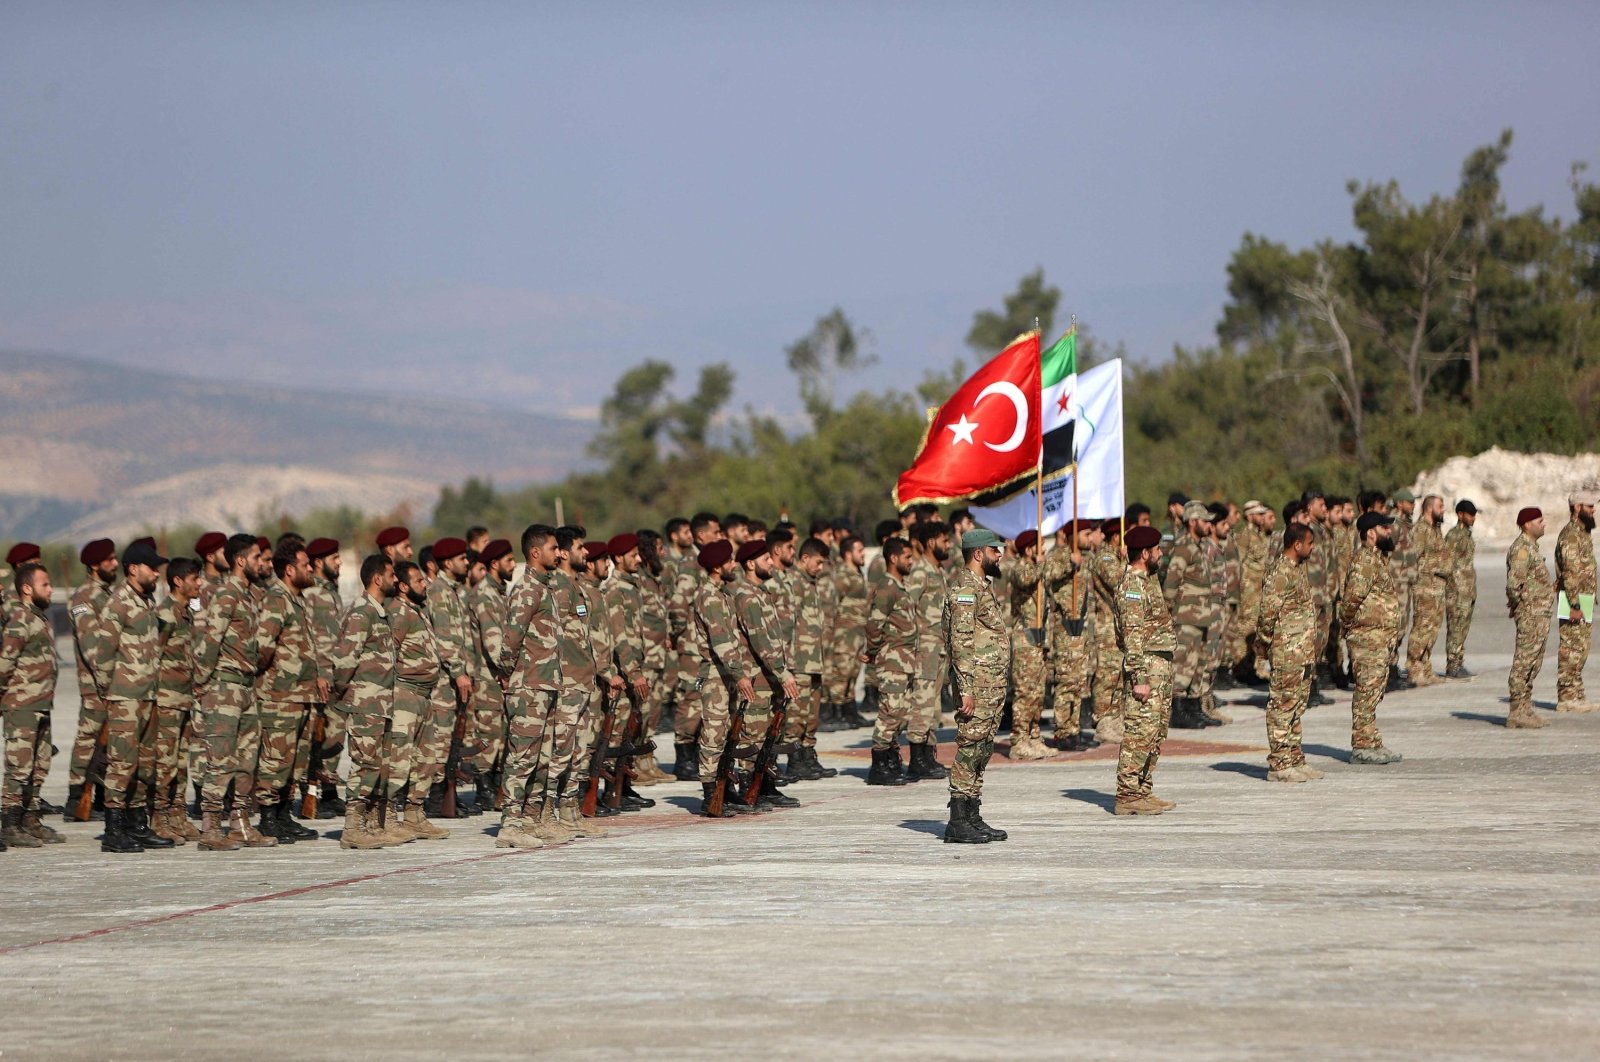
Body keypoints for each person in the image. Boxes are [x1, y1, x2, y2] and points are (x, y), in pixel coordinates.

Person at [92, 540, 172, 853]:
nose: (156, 573)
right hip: (124, 697)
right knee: (122, 762)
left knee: (146, 763)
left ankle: (138, 825)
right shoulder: (119, 602)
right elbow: (105, 653)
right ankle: (114, 829)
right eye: (152, 567)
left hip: (149, 696)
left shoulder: (148, 601)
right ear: (134, 569)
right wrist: (109, 694)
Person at [493, 524, 565, 848]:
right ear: (535, 553)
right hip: (528, 686)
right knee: (522, 757)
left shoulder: (545, 587)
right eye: (553, 548)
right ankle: (510, 823)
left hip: (546, 683)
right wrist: (507, 673)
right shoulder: (526, 590)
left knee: (542, 758)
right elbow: (510, 639)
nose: (559, 553)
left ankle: (531, 819)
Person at [327, 554, 403, 848]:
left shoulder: (379, 612)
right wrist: (348, 692)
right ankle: (352, 827)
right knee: (365, 764)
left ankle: (372, 824)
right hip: (365, 704)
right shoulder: (361, 612)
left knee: (379, 766)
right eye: (391, 574)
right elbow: (345, 659)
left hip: (381, 704)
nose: (395, 579)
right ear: (377, 578)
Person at [942, 529, 1012, 844]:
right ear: (979, 553)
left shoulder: (982, 586)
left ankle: (972, 812)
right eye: (996, 551)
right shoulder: (964, 589)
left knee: (982, 747)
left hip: (991, 684)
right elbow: (961, 640)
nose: (1001, 556)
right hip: (977, 686)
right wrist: (966, 688)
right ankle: (958, 819)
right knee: (970, 747)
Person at [251, 541, 323, 844]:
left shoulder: (297, 599)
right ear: (290, 569)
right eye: (306, 564)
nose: (311, 568)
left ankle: (283, 814)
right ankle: (267, 817)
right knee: (276, 758)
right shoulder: (276, 599)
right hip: (280, 695)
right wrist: (273, 680)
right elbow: (261, 647)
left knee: (295, 760)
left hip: (301, 695)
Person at [1111, 526, 1178, 815]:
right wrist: (1139, 678)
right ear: (1145, 553)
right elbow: (1133, 636)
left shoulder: (1148, 581)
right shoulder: (1132, 587)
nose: (1161, 554)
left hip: (1160, 665)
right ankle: (1127, 795)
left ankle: (1142, 789)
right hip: (1146, 667)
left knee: (1155, 732)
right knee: (1140, 732)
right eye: (1157, 550)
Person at [1, 561, 65, 848]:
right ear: (27, 589)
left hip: (41, 703)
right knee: (19, 767)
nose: (50, 590)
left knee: (39, 765)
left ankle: (30, 819)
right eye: (45, 585)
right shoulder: (20, 620)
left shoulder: (38, 617)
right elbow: (4, 663)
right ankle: (9, 824)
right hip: (22, 705)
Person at [1258, 524, 1323, 782]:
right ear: (1297, 545)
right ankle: (1280, 763)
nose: (1312, 547)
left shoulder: (1297, 569)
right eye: (1309, 543)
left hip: (1302, 652)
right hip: (1287, 651)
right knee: (1282, 707)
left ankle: (1295, 756)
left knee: (1297, 706)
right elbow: (1267, 613)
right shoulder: (1280, 572)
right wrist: (1265, 643)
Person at [1339, 512, 1404, 762]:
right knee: (1366, 690)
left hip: (1380, 637)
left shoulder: (1377, 559)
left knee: (1374, 691)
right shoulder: (1364, 560)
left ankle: (1372, 740)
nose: (1390, 532)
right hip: (1367, 637)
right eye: (1384, 528)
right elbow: (1352, 599)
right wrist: (1351, 626)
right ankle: (1362, 745)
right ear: (1370, 533)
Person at [65, 537, 118, 822]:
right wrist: (107, 678)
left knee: (107, 744)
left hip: (116, 682)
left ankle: (99, 799)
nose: (115, 563)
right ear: (94, 564)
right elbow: (92, 647)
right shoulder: (84, 598)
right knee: (88, 739)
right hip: (96, 684)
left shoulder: (108, 594)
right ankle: (76, 799)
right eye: (109, 559)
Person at [149, 558, 202, 844]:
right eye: (194, 578)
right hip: (166, 699)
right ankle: (159, 816)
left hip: (184, 699)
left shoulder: (186, 613)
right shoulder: (165, 615)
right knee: (165, 761)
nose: (199, 583)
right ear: (178, 581)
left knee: (182, 761)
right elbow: (152, 657)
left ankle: (178, 814)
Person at [864, 537, 920, 785]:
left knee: (901, 713)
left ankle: (890, 758)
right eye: (907, 556)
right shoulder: (887, 588)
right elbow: (874, 624)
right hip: (892, 660)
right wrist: (874, 651)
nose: (912, 561)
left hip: (905, 660)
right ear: (894, 558)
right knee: (890, 712)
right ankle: (879, 764)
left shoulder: (900, 586)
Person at [1163, 501, 1221, 729]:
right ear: (1193, 522)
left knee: (1198, 666)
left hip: (1202, 616)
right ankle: (1177, 711)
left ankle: (1194, 707)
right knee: (1183, 665)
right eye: (1205, 520)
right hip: (1187, 617)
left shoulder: (1200, 546)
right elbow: (1171, 583)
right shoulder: (1184, 547)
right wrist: (1168, 611)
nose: (1209, 524)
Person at [1505, 507, 1555, 729]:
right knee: (1524, 661)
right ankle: (1516, 710)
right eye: (1539, 521)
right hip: (1530, 615)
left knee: (1534, 662)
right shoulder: (1522, 549)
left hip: (1539, 613)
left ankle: (1526, 707)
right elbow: (1514, 584)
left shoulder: (1531, 548)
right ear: (1527, 525)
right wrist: (1522, 607)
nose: (1543, 524)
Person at [1004, 530, 1049, 759]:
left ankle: (1033, 735)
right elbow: (1025, 579)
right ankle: (1019, 740)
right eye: (1039, 546)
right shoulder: (1019, 567)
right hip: (1024, 638)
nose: (1043, 550)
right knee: (1025, 691)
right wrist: (1040, 565)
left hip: (1039, 636)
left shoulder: (1037, 568)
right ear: (1029, 548)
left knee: (1038, 691)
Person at [1553, 491, 1599, 713]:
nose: (1594, 510)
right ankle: (1567, 697)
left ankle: (1577, 694)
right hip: (1574, 600)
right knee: (1571, 648)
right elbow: (1570, 573)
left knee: (1580, 648)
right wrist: (1575, 605)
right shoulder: (1570, 535)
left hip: (1584, 598)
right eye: (1589, 506)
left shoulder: (1582, 533)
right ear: (1577, 507)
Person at [1405, 494, 1449, 686]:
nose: (1444, 509)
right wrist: (1437, 566)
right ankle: (1413, 668)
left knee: (1432, 629)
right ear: (1429, 508)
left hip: (1438, 586)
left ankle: (1425, 666)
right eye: (1440, 506)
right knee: (1422, 628)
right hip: (1425, 586)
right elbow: (1414, 558)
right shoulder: (1420, 530)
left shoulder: (1435, 530)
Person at [1443, 500, 1478, 680]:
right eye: (1470, 514)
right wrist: (1452, 589)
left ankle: (1459, 661)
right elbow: (1447, 563)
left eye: (1474, 515)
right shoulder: (1453, 536)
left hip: (1467, 590)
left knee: (1463, 628)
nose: (1473, 518)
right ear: (1460, 515)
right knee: (1455, 628)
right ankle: (1453, 665)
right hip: (1456, 591)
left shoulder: (1467, 536)